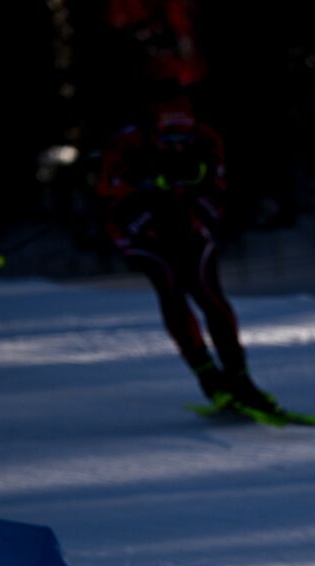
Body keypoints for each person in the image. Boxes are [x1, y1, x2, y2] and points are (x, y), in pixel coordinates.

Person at [97, 95, 275, 411]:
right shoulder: (126, 144)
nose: (177, 145)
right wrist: (148, 187)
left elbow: (216, 191)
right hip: (141, 228)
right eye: (169, 138)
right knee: (171, 287)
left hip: (188, 223)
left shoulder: (207, 139)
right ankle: (208, 376)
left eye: (184, 137)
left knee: (209, 293)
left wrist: (193, 202)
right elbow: (109, 191)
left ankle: (239, 378)